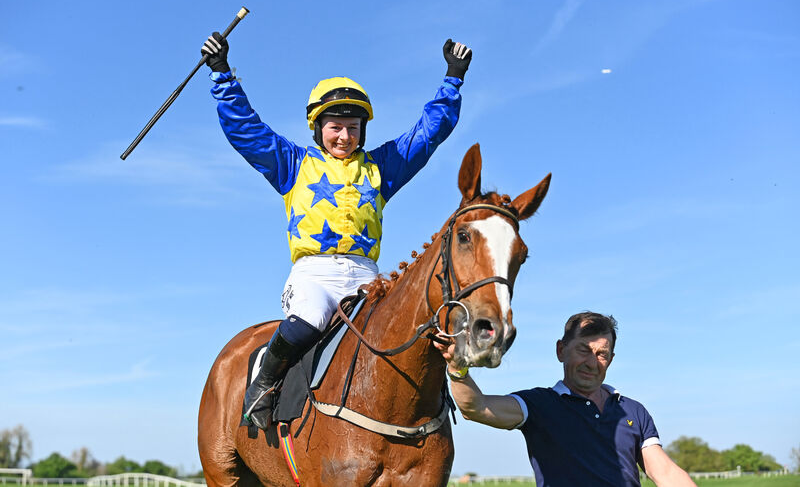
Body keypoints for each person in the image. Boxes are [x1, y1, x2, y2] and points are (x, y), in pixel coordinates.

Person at [201, 32, 473, 431]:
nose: (344, 136)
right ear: (317, 127)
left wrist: (452, 78)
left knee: (406, 334)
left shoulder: (382, 167)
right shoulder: (292, 163)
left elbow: (427, 134)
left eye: (353, 127)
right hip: (315, 275)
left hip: (367, 276)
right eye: (335, 127)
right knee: (307, 322)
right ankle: (262, 387)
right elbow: (248, 131)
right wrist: (223, 74)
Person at [436, 312, 696, 487]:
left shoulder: (633, 411)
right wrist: (458, 369)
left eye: (602, 354)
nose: (592, 362)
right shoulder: (540, 404)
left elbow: (664, 473)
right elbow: (477, 407)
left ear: (611, 359)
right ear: (561, 350)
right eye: (583, 350)